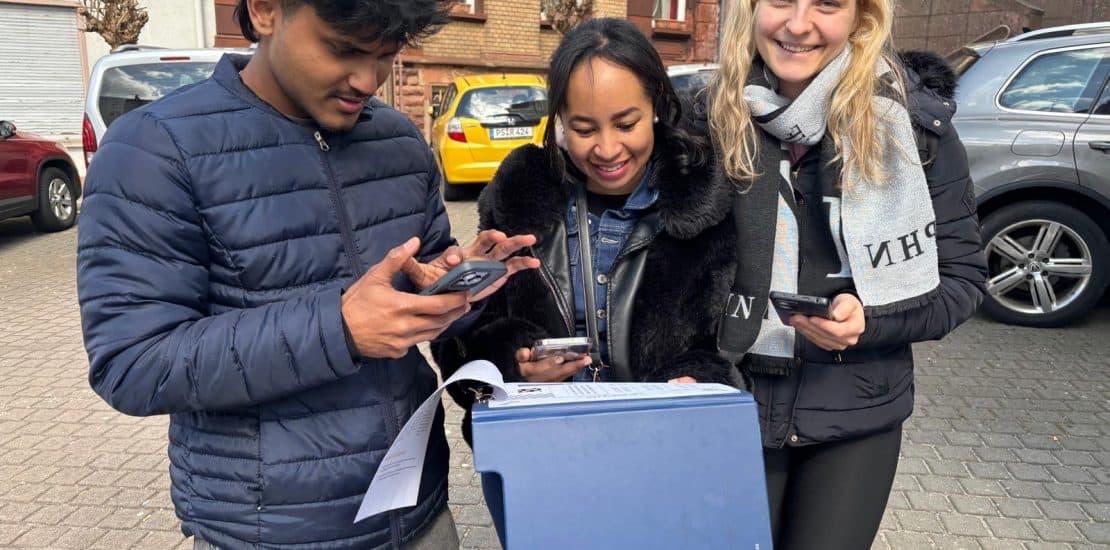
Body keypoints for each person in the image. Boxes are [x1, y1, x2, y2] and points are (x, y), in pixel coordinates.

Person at [75, 1, 539, 548]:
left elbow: (419, 299)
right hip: (271, 534)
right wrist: (338, 329)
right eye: (344, 49)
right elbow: (131, 363)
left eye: (386, 54)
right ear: (267, 10)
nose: (368, 80)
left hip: (421, 516)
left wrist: (453, 288)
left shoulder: (398, 142)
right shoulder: (153, 150)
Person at [432, 17, 740, 544]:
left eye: (626, 123)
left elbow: (722, 345)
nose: (606, 148)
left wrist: (693, 384)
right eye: (584, 127)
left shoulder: (702, 208)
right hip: (536, 459)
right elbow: (462, 354)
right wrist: (513, 365)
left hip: (657, 463)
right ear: (558, 123)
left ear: (659, 109)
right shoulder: (518, 198)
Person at [705, 1, 987, 548]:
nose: (798, 23)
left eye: (827, 4)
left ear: (861, 16)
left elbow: (963, 280)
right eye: (780, 0)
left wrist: (870, 320)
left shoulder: (915, 129)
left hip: (855, 409)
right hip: (726, 400)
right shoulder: (707, 120)